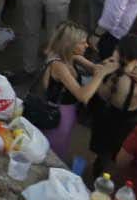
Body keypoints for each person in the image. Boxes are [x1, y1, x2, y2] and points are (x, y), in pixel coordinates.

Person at [33, 22, 118, 163]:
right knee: (54, 151)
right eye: (82, 43)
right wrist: (101, 75)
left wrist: (107, 64)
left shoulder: (72, 57)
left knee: (62, 145)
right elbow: (83, 95)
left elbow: (94, 68)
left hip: (68, 111)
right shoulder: (59, 66)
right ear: (70, 45)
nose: (87, 46)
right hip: (58, 114)